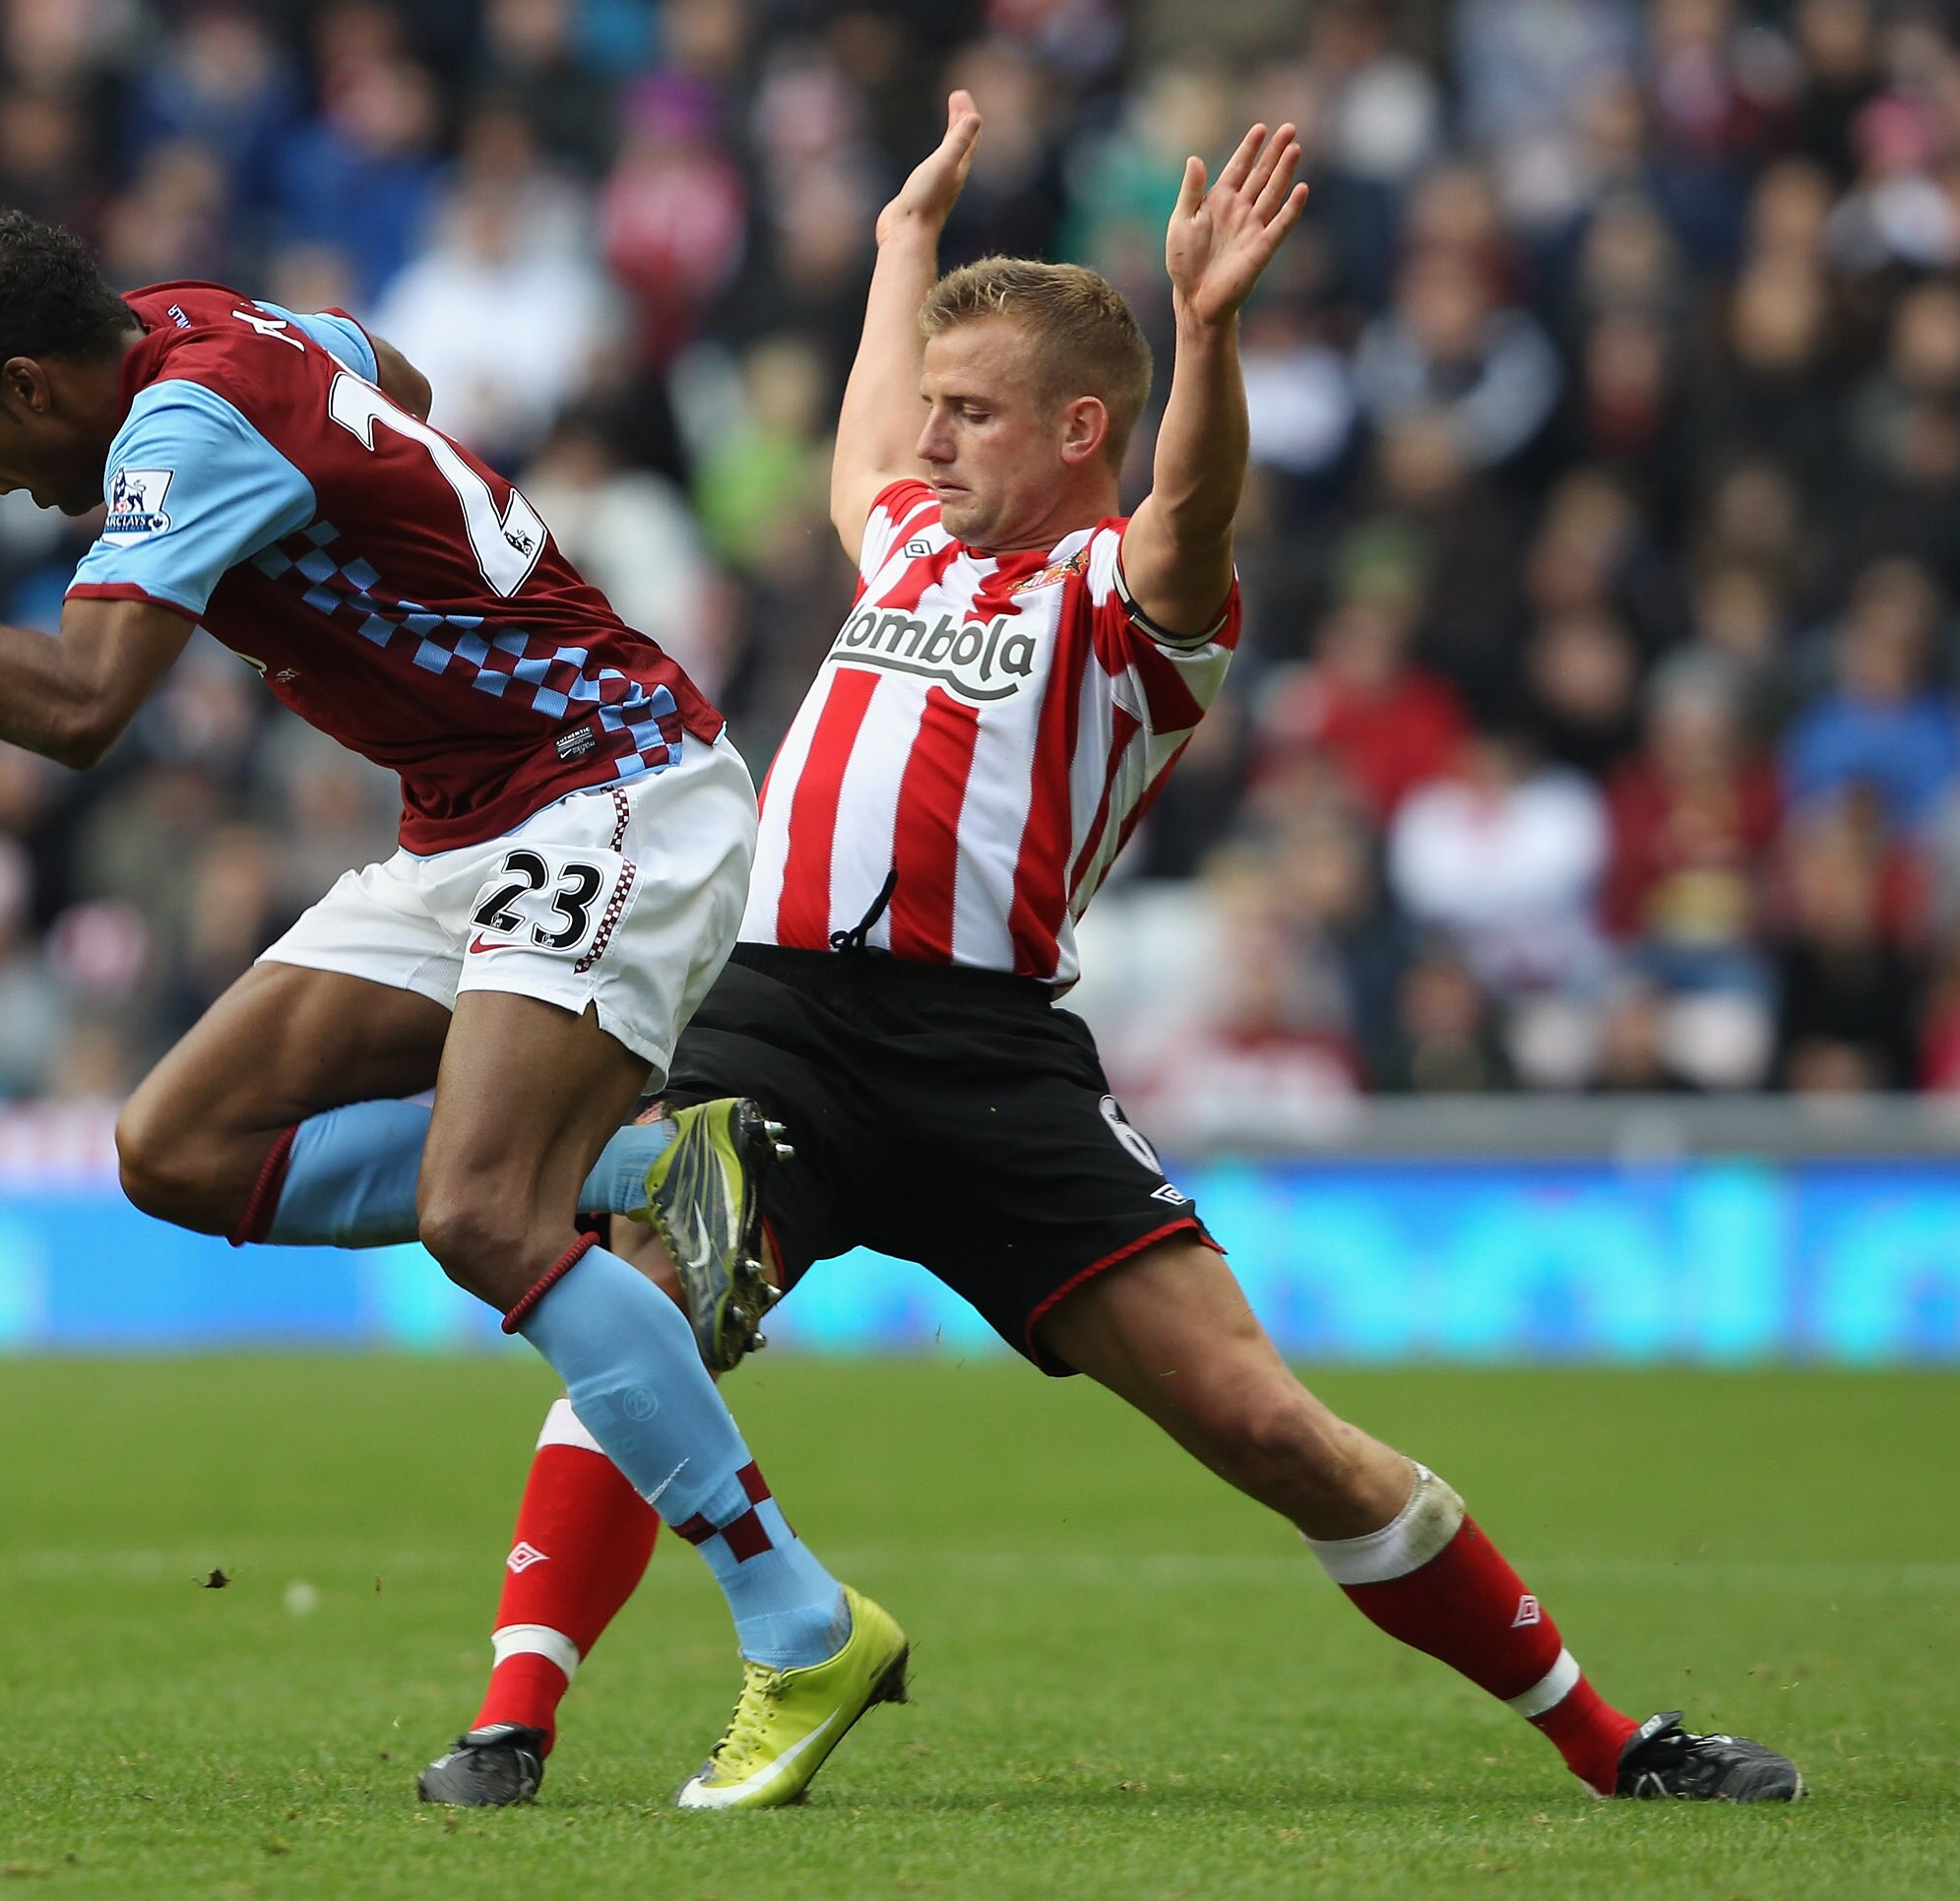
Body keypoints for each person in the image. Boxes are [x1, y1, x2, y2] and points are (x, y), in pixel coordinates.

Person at [417, 97, 1803, 1810]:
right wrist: (899, 248)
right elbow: (864, 434)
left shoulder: (1131, 602)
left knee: (1267, 1425)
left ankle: (1615, 1744)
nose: (930, 444)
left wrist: (1207, 330)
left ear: (1083, 431)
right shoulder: (911, 532)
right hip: (777, 1018)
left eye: (973, 415)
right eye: (933, 408)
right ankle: (511, 1726)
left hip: (990, 1058)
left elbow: (1193, 507)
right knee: (651, 1291)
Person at [0, 211, 906, 1807]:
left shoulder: (184, 424)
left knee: (477, 1213)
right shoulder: (201, 324)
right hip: (473, 813)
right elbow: (386, 369)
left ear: (36, 385)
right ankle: (631, 1172)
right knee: (176, 1143)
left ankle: (795, 1616)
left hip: (611, 788)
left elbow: (76, 707)